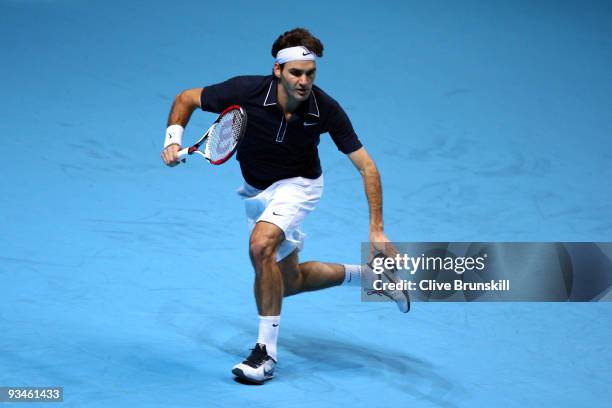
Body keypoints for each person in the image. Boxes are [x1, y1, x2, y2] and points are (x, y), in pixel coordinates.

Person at [161, 28, 409, 384]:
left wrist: (377, 229)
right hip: (255, 190)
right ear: (278, 70)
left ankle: (265, 355)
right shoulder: (246, 91)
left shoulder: (326, 109)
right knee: (288, 281)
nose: (304, 81)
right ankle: (371, 278)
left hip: (299, 185)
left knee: (260, 246)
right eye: (296, 72)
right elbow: (185, 98)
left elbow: (367, 166)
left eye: (310, 73)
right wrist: (173, 139)